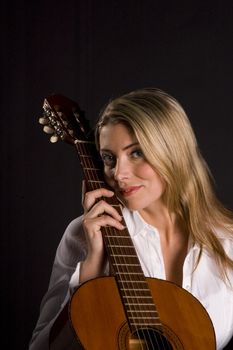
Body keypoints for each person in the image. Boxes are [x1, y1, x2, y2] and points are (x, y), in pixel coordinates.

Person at [29, 88, 233, 350]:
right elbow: (42, 348)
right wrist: (92, 267)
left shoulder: (227, 241)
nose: (119, 173)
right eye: (109, 158)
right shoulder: (85, 232)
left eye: (136, 153)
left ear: (173, 150)